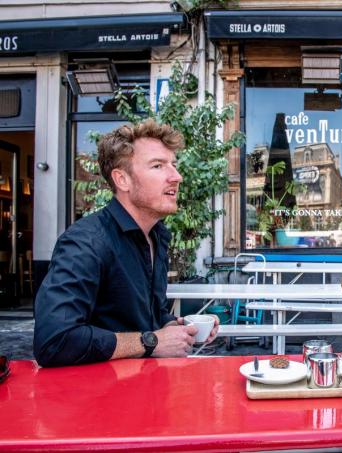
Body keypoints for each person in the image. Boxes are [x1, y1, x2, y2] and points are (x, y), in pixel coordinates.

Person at [34, 119, 219, 367]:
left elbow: (146, 317)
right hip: (97, 398)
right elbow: (54, 341)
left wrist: (175, 328)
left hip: (144, 392)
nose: (177, 176)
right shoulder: (85, 242)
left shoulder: (157, 235)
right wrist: (152, 341)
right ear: (122, 180)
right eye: (158, 166)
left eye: (174, 165)